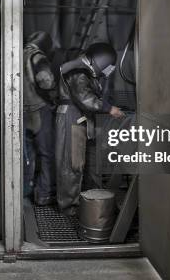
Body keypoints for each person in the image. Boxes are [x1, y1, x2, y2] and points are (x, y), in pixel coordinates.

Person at [55, 42, 124, 216]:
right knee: (72, 164)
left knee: (87, 163)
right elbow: (85, 98)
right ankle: (69, 207)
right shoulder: (77, 70)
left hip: (82, 118)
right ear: (100, 61)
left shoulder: (85, 70)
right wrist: (110, 109)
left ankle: (90, 203)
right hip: (72, 117)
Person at [23, 31, 57, 205]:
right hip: (39, 109)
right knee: (46, 154)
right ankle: (44, 194)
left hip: (22, 112)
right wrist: (53, 93)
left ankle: (25, 193)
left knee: (26, 156)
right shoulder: (38, 56)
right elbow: (45, 80)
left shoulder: (17, 53)